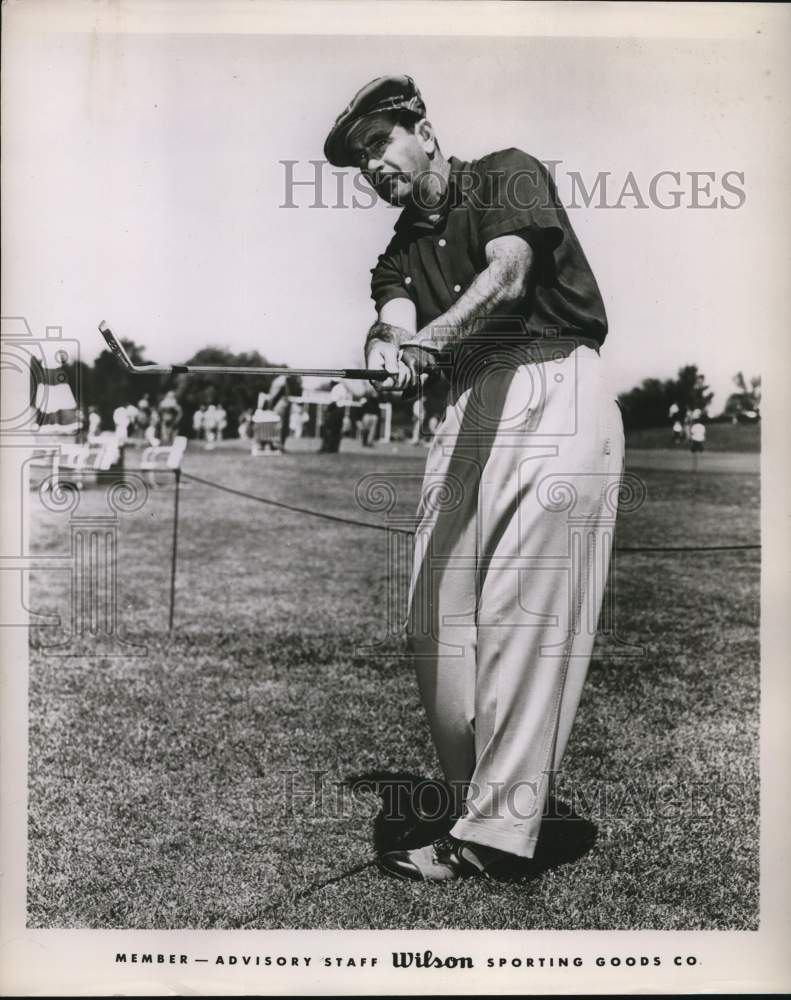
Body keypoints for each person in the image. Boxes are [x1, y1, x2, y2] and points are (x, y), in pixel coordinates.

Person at [324, 75, 624, 880]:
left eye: (379, 143)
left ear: (420, 129)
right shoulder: (397, 249)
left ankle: (494, 834)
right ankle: (481, 802)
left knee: (522, 609)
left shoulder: (503, 171)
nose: (372, 167)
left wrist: (429, 339)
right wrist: (389, 352)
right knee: (436, 615)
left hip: (553, 382)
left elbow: (510, 272)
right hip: (467, 406)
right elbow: (391, 320)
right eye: (359, 160)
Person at [319, 379, 350, 453]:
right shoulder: (343, 387)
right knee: (337, 431)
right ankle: (334, 448)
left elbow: (334, 402)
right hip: (341, 410)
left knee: (329, 429)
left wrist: (327, 409)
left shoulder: (336, 388)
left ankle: (327, 448)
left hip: (335, 410)